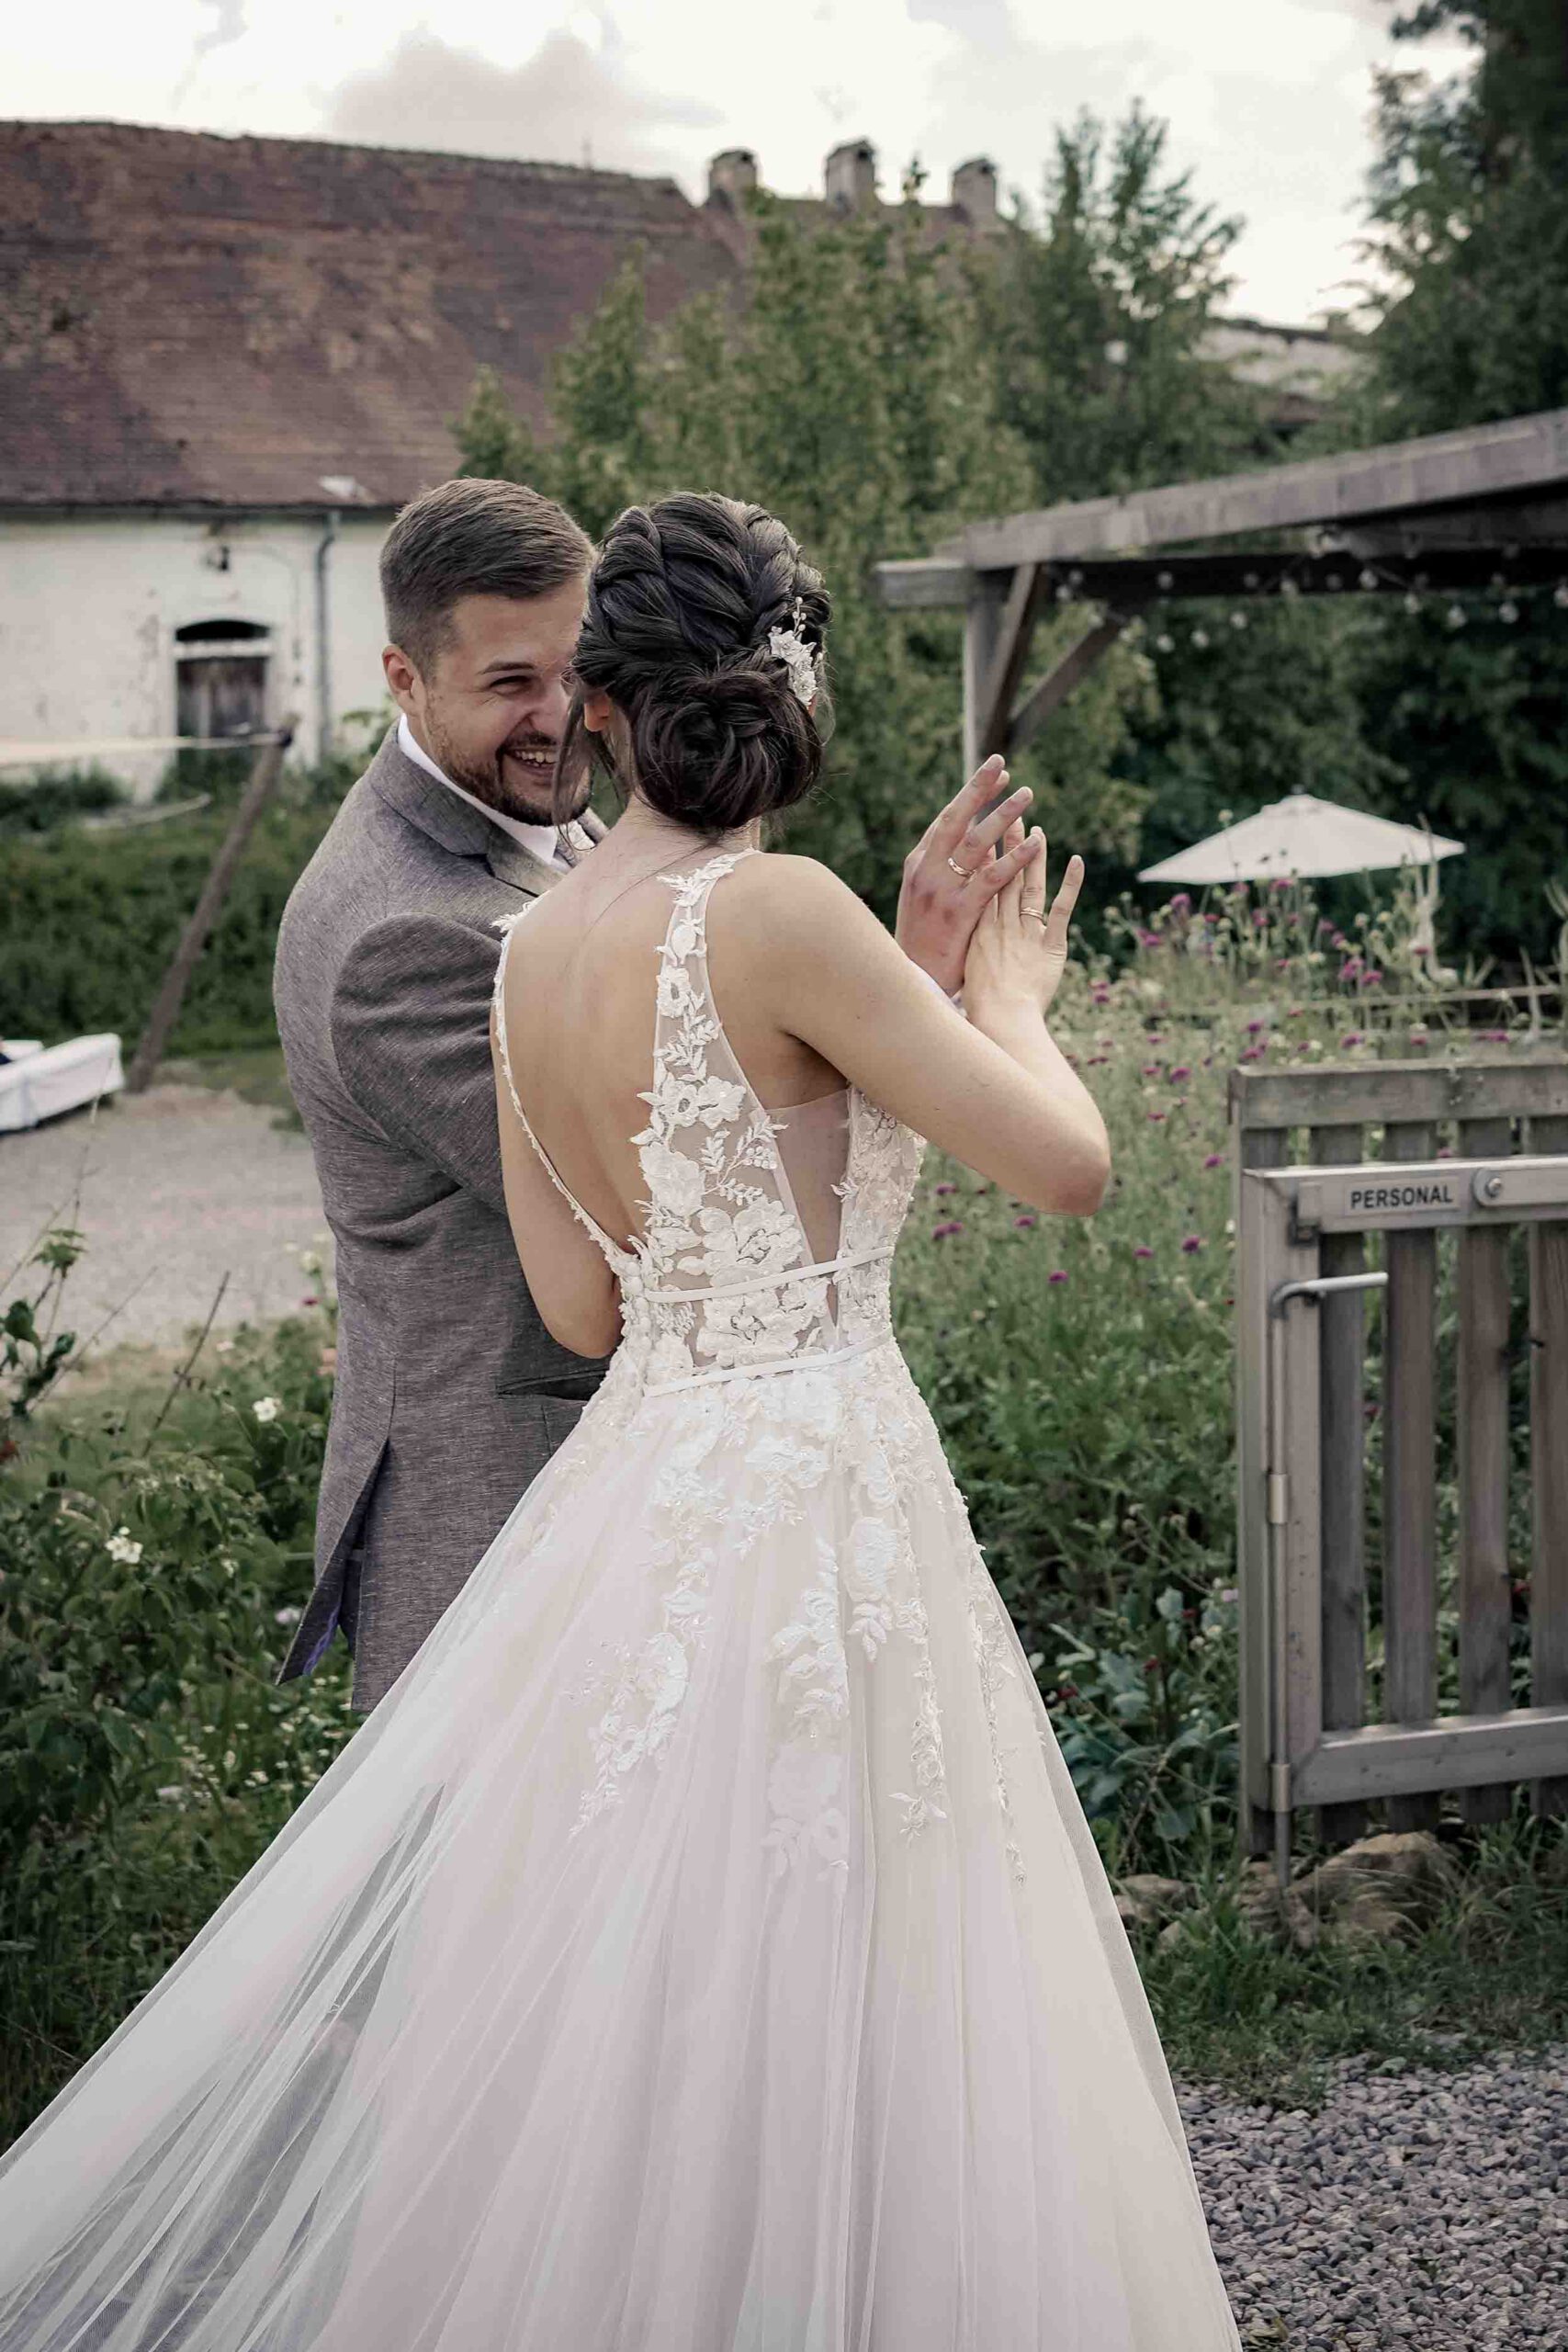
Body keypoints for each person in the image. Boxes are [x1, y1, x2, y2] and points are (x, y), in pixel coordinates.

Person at [0, 492, 1242, 2350]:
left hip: (641, 1500)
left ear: (603, 702)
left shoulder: (528, 945)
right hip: (819, 1482)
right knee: (862, 1961)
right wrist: (1004, 993)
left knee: (661, 1992)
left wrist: (858, 1034)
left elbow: (586, 1297)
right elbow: (1062, 1166)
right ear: (787, 698)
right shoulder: (779, 908)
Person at [272, 475, 1039, 1710]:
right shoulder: (399, 935)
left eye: (575, 672)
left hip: (666, 1513)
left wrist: (880, 989)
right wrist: (912, 1009)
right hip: (512, 1521)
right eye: (510, 684)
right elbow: (681, 1198)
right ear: (404, 680)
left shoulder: (574, 840)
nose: (562, 716)